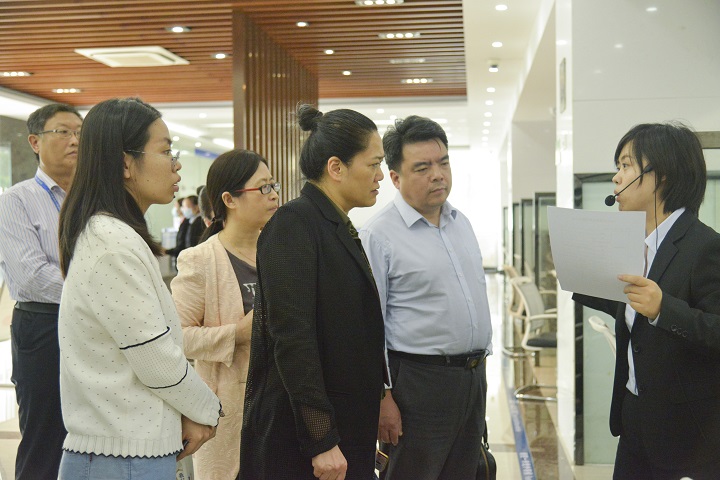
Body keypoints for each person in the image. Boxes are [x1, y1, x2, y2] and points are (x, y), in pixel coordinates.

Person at [56, 97, 222, 480]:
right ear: (125, 164)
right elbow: (155, 359)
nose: (176, 164)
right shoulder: (111, 242)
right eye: (165, 151)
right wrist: (208, 410)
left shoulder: (115, 235)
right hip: (121, 458)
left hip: (130, 452)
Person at [239, 105, 386, 480]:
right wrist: (321, 440)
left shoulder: (332, 223)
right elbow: (293, 338)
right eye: (373, 164)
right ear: (336, 168)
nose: (380, 175)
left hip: (343, 422)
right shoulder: (294, 224)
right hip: (303, 439)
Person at [573, 122, 720, 479]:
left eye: (626, 165)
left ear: (661, 175)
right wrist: (576, 269)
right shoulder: (634, 243)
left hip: (686, 434)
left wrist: (662, 309)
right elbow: (629, 308)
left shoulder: (705, 246)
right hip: (635, 419)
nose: (616, 178)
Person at [359, 115, 493, 480]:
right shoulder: (379, 236)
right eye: (423, 168)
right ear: (395, 177)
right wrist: (382, 398)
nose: (438, 175)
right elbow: (369, 328)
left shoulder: (460, 222)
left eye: (443, 163)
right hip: (417, 384)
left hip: (472, 378)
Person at [171, 149, 279, 479]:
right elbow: (177, 338)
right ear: (229, 200)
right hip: (231, 411)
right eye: (263, 187)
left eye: (273, 185)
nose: (274, 194)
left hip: (283, 405)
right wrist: (237, 334)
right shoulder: (201, 260)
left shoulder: (281, 251)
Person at [0, 103, 82, 480]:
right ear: (35, 142)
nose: (75, 140)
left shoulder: (95, 199)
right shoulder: (15, 200)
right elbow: (31, 277)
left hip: (94, 325)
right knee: (46, 437)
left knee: (92, 434)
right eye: (63, 132)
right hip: (44, 325)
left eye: (80, 133)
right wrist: (99, 291)